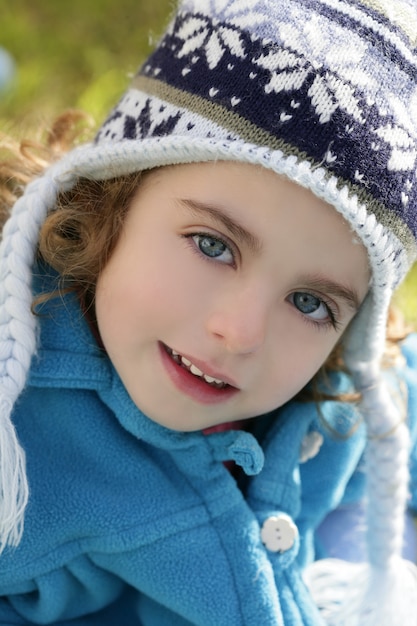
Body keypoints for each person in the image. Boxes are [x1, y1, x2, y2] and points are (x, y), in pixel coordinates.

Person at [0, 0, 417, 624]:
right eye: (213, 246)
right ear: (114, 193)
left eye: (309, 303)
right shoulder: (24, 429)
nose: (240, 332)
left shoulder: (342, 398)